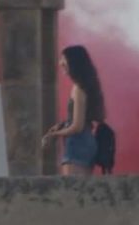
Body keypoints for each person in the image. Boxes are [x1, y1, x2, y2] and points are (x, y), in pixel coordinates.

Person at [43, 44, 109, 178]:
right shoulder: (86, 86)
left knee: (71, 189)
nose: (60, 63)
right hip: (87, 142)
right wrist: (62, 125)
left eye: (64, 59)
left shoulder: (78, 89)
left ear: (73, 62)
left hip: (78, 142)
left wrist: (54, 135)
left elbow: (77, 126)